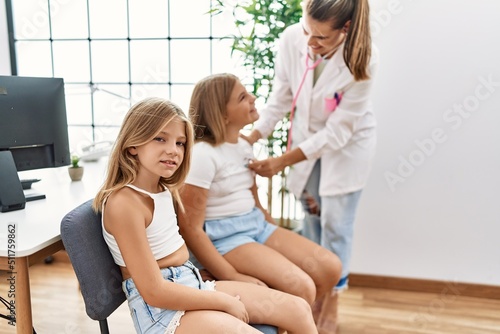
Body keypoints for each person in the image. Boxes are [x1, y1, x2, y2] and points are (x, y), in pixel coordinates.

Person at [92, 97, 318, 334]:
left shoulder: (163, 189)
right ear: (132, 145)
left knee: (299, 309)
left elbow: (171, 251)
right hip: (161, 313)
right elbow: (153, 291)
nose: (173, 150)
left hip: (190, 283)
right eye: (160, 138)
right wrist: (225, 301)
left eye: (180, 143)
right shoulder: (124, 204)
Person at [244, 0, 378, 332]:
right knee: (312, 216)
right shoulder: (292, 39)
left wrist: (283, 161)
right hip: (307, 142)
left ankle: (331, 302)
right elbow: (281, 97)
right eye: (307, 30)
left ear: (345, 30)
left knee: (336, 226)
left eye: (320, 38)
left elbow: (338, 130)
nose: (310, 43)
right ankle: (316, 292)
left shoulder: (364, 58)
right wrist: (252, 136)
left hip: (346, 148)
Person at [177, 73, 342, 312]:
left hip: (256, 225)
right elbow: (190, 228)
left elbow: (255, 201)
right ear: (222, 114)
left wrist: (273, 234)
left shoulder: (244, 146)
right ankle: (295, 318)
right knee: (301, 286)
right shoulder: (203, 155)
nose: (253, 98)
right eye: (243, 97)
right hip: (226, 236)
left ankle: (304, 319)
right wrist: (230, 273)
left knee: (330, 267)